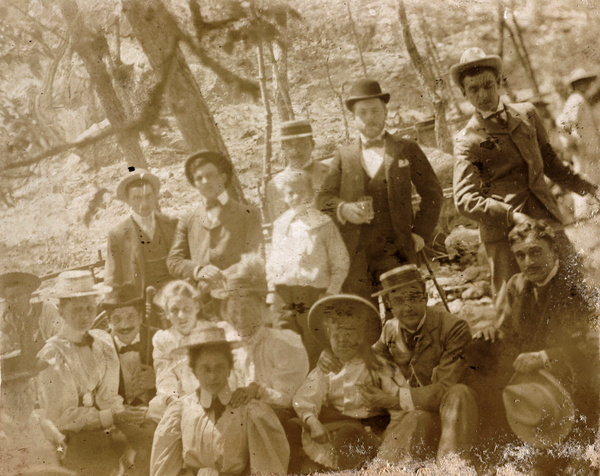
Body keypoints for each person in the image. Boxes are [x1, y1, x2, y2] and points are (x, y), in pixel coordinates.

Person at [450, 48, 599, 303]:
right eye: (473, 90)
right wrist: (510, 214)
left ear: (499, 83)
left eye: (488, 85)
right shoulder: (467, 139)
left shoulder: (527, 113)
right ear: (464, 93)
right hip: (506, 235)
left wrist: (590, 189)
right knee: (519, 310)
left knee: (573, 295)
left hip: (545, 220)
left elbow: (550, 163)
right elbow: (463, 198)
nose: (483, 95)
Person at [468, 220, 599, 471]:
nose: (528, 261)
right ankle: (501, 435)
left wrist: (544, 356)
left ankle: (572, 446)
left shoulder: (577, 285)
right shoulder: (517, 285)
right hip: (532, 381)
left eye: (536, 252)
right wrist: (491, 331)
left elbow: (590, 344)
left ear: (554, 251)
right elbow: (505, 331)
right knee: (477, 352)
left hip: (572, 375)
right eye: (521, 255)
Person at [317, 78, 443, 298]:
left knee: (406, 315)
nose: (369, 118)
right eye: (362, 113)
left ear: (385, 113)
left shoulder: (407, 148)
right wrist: (343, 209)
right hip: (357, 256)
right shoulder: (343, 155)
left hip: (399, 250)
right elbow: (322, 199)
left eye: (375, 111)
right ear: (354, 118)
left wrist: (421, 233)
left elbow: (433, 193)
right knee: (365, 321)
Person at [36, 270, 147, 475]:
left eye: (89, 308)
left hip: (108, 428)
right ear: (61, 311)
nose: (84, 315)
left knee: (147, 441)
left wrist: (121, 412)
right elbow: (63, 418)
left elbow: (109, 397)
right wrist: (111, 416)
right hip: (73, 439)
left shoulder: (103, 341)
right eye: (76, 310)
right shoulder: (52, 355)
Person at [369, 265, 477, 461]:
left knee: (459, 392)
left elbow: (446, 387)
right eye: (399, 301)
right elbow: (369, 361)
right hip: (419, 415)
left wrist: (395, 399)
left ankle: (451, 468)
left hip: (452, 414)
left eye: (413, 297)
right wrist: (332, 357)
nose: (407, 307)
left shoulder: (453, 328)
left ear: (425, 296)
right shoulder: (389, 330)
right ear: (389, 304)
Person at [150, 326, 290, 476]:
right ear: (195, 371)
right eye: (205, 368)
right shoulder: (180, 411)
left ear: (229, 368)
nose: (212, 376)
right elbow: (165, 468)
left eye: (219, 367)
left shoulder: (250, 410)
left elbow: (267, 467)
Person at [293, 294, 408, 471]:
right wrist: (313, 423)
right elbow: (306, 397)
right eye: (335, 335)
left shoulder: (378, 367)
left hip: (374, 432)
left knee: (349, 435)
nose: (341, 340)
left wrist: (389, 437)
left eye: (348, 334)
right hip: (337, 428)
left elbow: (398, 403)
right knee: (292, 426)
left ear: (362, 337)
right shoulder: (328, 367)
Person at [266, 168, 350, 367]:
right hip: (284, 295)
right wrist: (271, 294)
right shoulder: (280, 224)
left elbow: (341, 261)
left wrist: (331, 292)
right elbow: (273, 262)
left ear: (311, 193)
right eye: (289, 193)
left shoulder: (323, 224)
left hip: (313, 294)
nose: (294, 197)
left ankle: (320, 391)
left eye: (300, 192)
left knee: (316, 345)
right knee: (289, 343)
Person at [167, 150, 263, 295]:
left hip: (240, 295)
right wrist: (199, 271)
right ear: (195, 184)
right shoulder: (188, 219)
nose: (205, 182)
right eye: (199, 178)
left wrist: (221, 278)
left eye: (210, 175)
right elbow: (174, 260)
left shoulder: (248, 213)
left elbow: (254, 257)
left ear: (223, 177)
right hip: (202, 300)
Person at [148, 279, 232, 422]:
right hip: (183, 398)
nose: (181, 316)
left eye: (187, 308)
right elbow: (165, 376)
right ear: (167, 313)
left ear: (196, 307)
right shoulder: (163, 340)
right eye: (174, 310)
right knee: (155, 407)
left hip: (214, 390)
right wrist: (171, 398)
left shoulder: (213, 331)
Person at [105, 168, 178, 302]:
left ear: (155, 195)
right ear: (127, 200)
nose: (144, 204)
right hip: (140, 302)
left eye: (148, 196)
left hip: (174, 298)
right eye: (137, 198)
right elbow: (112, 277)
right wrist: (113, 306)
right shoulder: (118, 234)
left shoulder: (171, 224)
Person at [0, 271, 62, 424]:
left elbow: (61, 339)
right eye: (9, 298)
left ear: (28, 294)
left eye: (17, 296)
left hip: (48, 379)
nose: (13, 302)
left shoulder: (45, 310)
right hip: (19, 387)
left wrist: (45, 359)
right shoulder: (4, 321)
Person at [265, 119, 330, 223]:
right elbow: (277, 225)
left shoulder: (331, 174)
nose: (295, 151)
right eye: (289, 145)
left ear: (312, 144)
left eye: (301, 144)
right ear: (283, 148)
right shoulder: (274, 186)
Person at [556, 68, 600, 219]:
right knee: (584, 179)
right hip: (583, 151)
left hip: (590, 150)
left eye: (587, 82)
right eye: (583, 83)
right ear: (576, 85)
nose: (587, 85)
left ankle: (591, 213)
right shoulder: (576, 99)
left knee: (592, 179)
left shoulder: (582, 100)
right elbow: (563, 123)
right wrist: (572, 142)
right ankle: (583, 215)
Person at [103, 283, 156, 407]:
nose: (124, 325)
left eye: (130, 317)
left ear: (140, 317)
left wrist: (158, 379)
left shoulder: (158, 338)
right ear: (108, 322)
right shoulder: (100, 346)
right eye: (117, 319)